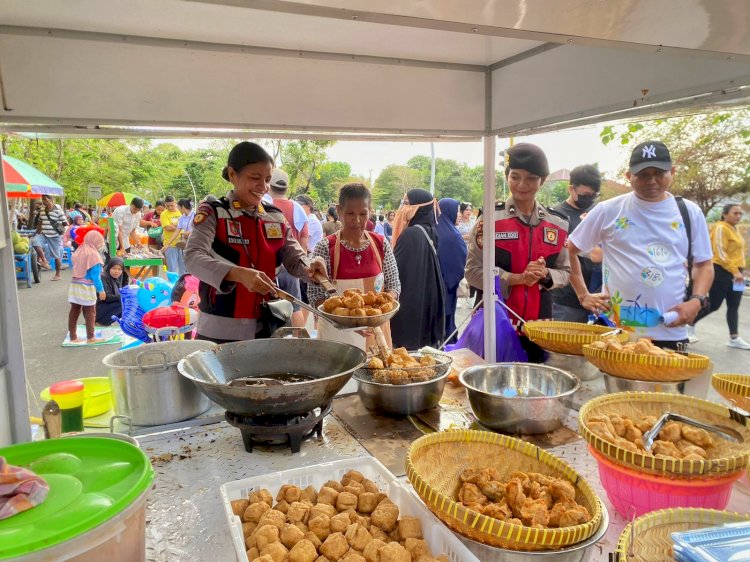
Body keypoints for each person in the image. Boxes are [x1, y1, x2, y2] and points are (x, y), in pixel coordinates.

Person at [568, 141, 713, 349]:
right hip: (616, 334)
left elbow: (704, 265)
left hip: (671, 330)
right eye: (643, 174)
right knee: (618, 383)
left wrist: (697, 300)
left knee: (665, 383)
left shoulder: (689, 213)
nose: (652, 181)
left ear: (672, 172)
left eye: (659, 173)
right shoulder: (608, 210)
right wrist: (583, 295)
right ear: (629, 176)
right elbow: (570, 249)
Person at [184, 141, 326, 343]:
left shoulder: (274, 217)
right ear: (233, 175)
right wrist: (238, 273)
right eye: (255, 178)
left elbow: (295, 259)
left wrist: (311, 266)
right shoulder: (214, 212)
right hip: (221, 330)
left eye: (267, 179)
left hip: (269, 327)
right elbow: (193, 257)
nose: (264, 186)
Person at [465, 143, 571, 362]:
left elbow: (565, 272)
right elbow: (473, 272)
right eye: (515, 177)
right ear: (507, 177)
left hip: (540, 329)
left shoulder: (558, 224)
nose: (522, 184)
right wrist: (516, 279)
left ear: (542, 179)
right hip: (495, 325)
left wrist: (545, 275)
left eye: (531, 178)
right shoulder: (489, 220)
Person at [308, 183, 400, 350]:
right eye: (350, 213)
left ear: (370, 211)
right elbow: (315, 296)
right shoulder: (325, 247)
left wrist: (375, 315)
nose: (357, 220)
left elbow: (394, 285)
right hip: (336, 337)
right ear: (339, 210)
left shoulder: (381, 244)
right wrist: (346, 321)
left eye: (363, 214)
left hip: (376, 333)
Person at [390, 188, 446, 349]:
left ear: (418, 208)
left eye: (406, 203)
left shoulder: (411, 234)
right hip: (427, 305)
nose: (402, 208)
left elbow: (396, 276)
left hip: (410, 311)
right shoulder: (429, 229)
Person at [691, 203, 750, 348]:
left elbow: (738, 253)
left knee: (734, 305)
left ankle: (734, 338)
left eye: (740, 214)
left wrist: (739, 272)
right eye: (735, 213)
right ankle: (688, 325)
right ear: (724, 214)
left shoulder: (734, 229)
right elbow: (719, 253)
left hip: (739, 274)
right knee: (714, 304)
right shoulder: (720, 228)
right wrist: (734, 271)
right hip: (723, 271)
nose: (738, 216)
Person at [551, 164, 603, 323]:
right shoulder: (556, 216)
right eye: (585, 194)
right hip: (566, 301)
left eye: (594, 195)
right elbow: (595, 254)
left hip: (597, 298)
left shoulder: (597, 212)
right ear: (571, 189)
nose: (590, 199)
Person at [270, 169, 309, 327]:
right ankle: (297, 341)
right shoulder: (298, 209)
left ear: (269, 185)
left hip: (270, 268)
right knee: (295, 306)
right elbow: (304, 241)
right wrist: (304, 265)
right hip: (294, 266)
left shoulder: (265, 206)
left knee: (271, 307)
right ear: (286, 187)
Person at [437, 198, 468, 344]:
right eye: (457, 211)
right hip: (448, 287)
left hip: (436, 287)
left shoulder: (435, 229)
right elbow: (460, 262)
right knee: (447, 321)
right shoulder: (453, 236)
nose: (459, 215)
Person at [67, 230, 107, 343]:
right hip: (86, 286)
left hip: (75, 285)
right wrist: (101, 290)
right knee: (90, 311)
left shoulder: (79, 250)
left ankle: (73, 337)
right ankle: (91, 337)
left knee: (74, 311)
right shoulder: (93, 254)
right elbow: (96, 276)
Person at [33, 194, 67, 281]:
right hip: (44, 234)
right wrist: (36, 233)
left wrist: (63, 232)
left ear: (50, 200)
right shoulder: (42, 210)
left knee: (56, 256)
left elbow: (65, 223)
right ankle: (44, 261)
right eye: (43, 200)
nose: (44, 201)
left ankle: (58, 274)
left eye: (45, 199)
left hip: (55, 236)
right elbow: (40, 223)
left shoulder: (58, 209)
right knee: (35, 242)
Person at [96, 257, 128, 326]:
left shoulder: (118, 277)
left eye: (119, 269)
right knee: (122, 304)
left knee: (127, 304)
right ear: (109, 267)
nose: (116, 271)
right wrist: (122, 296)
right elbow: (107, 298)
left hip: (107, 306)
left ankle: (108, 322)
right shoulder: (103, 277)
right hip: (98, 308)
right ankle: (101, 322)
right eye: (114, 268)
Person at [160, 196, 184, 274]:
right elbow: (167, 228)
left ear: (175, 203)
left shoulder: (180, 211)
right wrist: (180, 226)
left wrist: (174, 225)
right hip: (170, 245)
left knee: (183, 268)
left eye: (172, 205)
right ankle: (173, 285)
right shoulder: (164, 214)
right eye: (167, 206)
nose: (170, 207)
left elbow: (186, 225)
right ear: (165, 205)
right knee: (172, 269)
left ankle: (182, 285)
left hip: (182, 244)